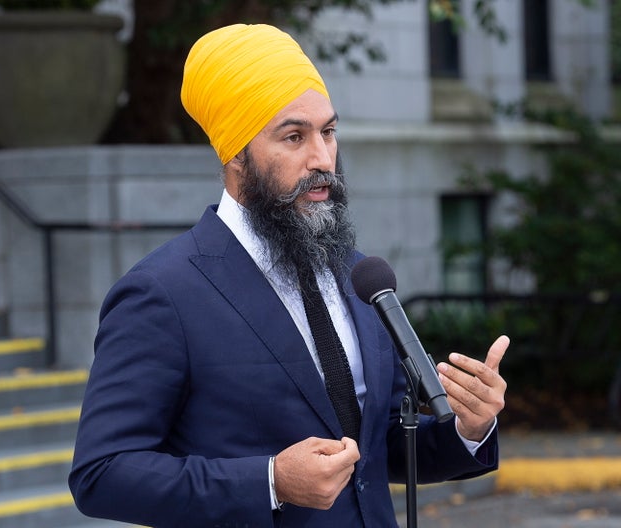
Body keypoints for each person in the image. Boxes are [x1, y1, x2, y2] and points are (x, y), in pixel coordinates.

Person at [68, 23, 509, 528]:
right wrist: (271, 481)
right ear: (236, 154)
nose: (322, 159)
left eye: (329, 132)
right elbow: (102, 474)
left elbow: (378, 447)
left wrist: (470, 429)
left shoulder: (354, 271)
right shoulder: (163, 292)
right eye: (294, 136)